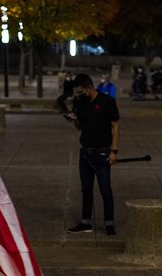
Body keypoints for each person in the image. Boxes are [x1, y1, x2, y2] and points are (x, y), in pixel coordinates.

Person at [65, 73, 119, 237]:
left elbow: (115, 127)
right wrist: (73, 120)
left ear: (89, 88)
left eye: (81, 92)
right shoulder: (80, 102)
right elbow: (80, 127)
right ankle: (85, 222)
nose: (79, 95)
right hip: (85, 152)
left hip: (102, 152)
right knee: (86, 189)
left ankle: (109, 223)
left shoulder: (107, 102)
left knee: (105, 190)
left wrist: (114, 151)